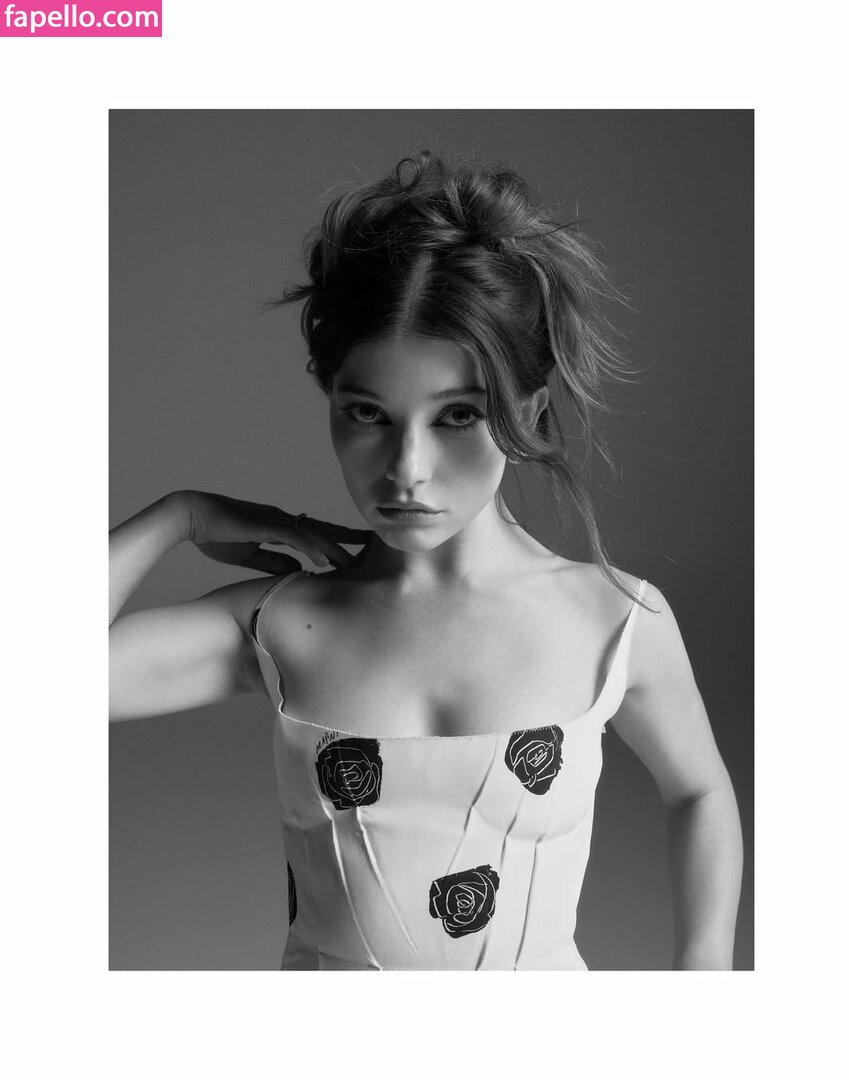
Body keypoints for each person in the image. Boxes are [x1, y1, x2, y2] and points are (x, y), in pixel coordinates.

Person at [109, 151, 743, 970]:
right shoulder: (277, 623)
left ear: (528, 411)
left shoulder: (615, 620)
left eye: (456, 416)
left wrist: (705, 986)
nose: (407, 469)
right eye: (368, 414)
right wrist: (178, 516)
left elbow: (699, 790)